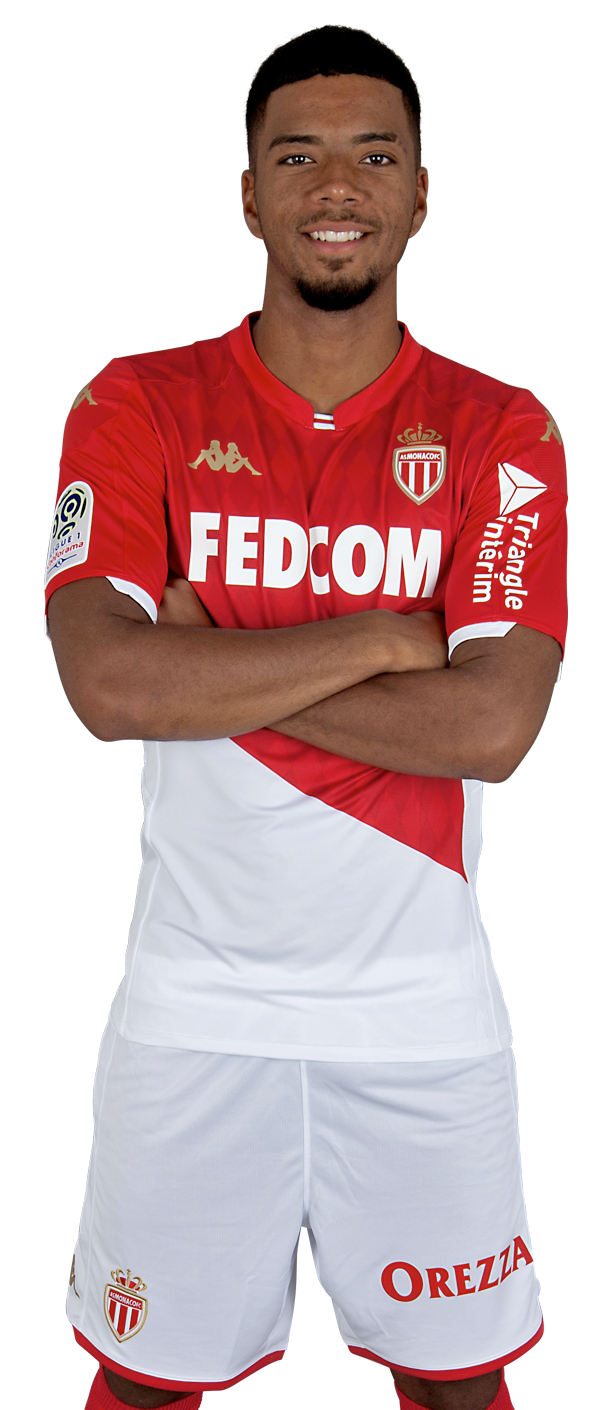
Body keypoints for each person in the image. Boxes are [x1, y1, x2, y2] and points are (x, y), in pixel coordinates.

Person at [46, 25, 566, 1410]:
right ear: (249, 193)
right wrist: (389, 639)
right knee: (143, 1386)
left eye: (374, 155)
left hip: (421, 1012)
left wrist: (215, 657)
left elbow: (493, 728)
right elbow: (110, 687)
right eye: (298, 156)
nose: (337, 184)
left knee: (458, 1387)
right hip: (194, 1007)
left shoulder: (503, 431)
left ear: (420, 191)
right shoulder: (136, 404)